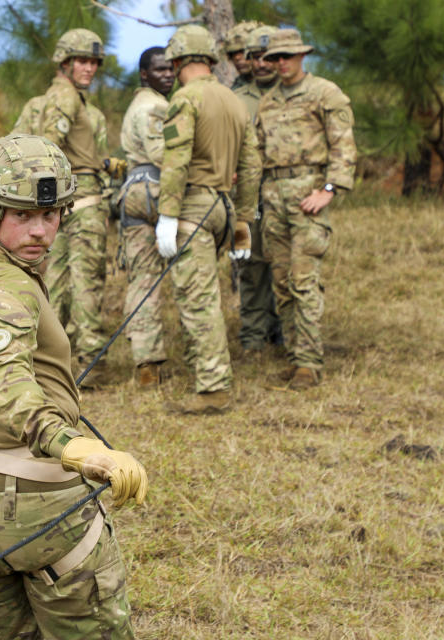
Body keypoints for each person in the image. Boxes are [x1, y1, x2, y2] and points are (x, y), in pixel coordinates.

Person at [0, 133, 147, 639]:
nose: (39, 231)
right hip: (38, 507)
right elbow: (5, 386)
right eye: (22, 216)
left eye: (49, 216)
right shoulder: (4, 287)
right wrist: (75, 448)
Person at [157, 25, 262, 414]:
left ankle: (214, 387)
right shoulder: (235, 101)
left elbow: (176, 160)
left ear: (180, 61)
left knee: (198, 299)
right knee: (202, 294)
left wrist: (167, 214)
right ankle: (204, 372)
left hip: (193, 208)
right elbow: (252, 165)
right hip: (223, 207)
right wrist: (243, 220)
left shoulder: (186, 99)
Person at [255, 29, 356, 391]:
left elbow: (343, 144)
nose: (281, 63)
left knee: (303, 280)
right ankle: (296, 356)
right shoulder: (267, 102)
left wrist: (329, 189)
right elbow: (257, 152)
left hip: (307, 196)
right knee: (281, 282)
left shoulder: (325, 93)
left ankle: (310, 363)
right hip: (273, 197)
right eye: (275, 58)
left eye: (287, 56)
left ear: (301, 56)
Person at [34, 29, 125, 388]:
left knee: (57, 283)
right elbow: (49, 149)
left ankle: (55, 362)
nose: (89, 68)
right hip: (79, 200)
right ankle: (90, 363)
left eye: (93, 62)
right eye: (82, 61)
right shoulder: (66, 97)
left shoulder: (67, 97)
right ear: (65, 62)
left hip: (66, 199)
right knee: (85, 283)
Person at [116, 46, 175, 387]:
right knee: (179, 275)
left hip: (133, 192)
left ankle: (145, 360)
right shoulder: (154, 106)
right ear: (144, 73)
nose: (167, 74)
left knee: (142, 277)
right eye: (159, 69)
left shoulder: (137, 104)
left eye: (170, 68)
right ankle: (154, 361)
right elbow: (161, 153)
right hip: (157, 190)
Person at [233, 25, 283, 353]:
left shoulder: (294, 94)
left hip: (286, 194)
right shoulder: (236, 99)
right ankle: (253, 336)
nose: (261, 63)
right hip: (249, 196)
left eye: (267, 57)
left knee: (287, 264)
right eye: (254, 57)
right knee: (250, 265)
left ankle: (284, 330)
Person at [223, 21, 262, 90]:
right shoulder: (235, 89)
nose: (237, 57)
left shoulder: (280, 82)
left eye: (242, 51)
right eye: (232, 54)